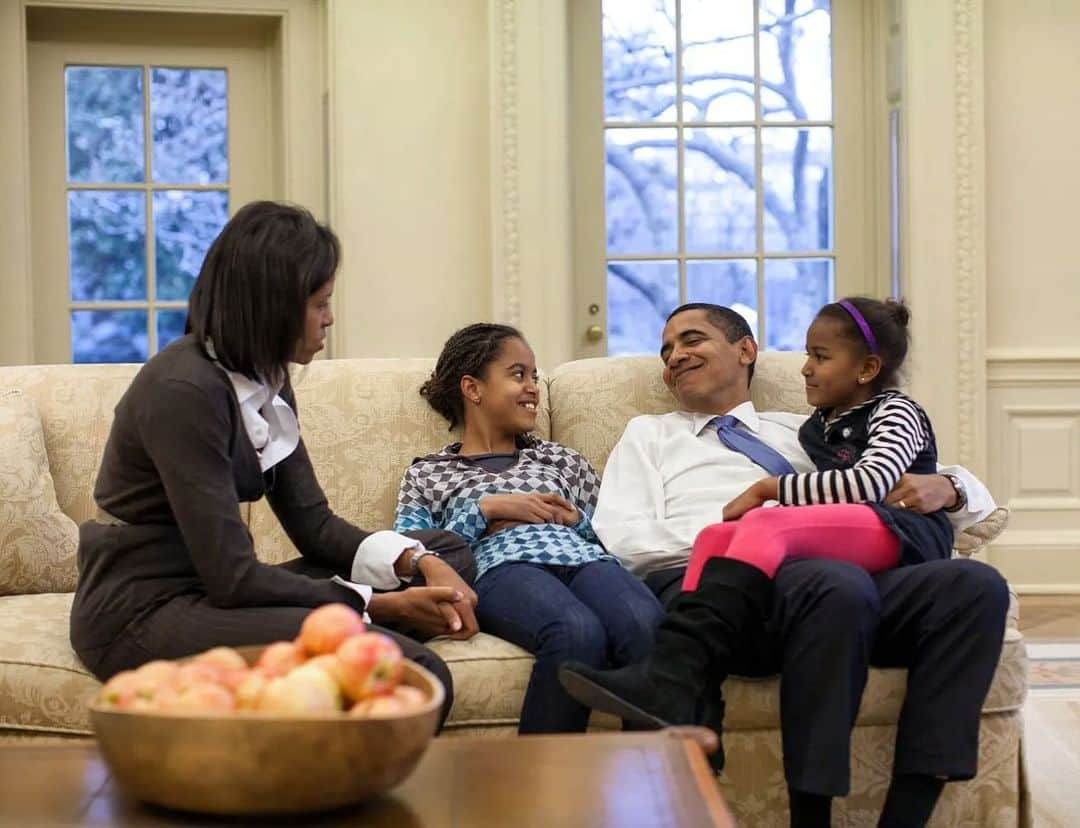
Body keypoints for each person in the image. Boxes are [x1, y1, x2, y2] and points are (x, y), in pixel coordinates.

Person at [560, 302, 1009, 828]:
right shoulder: (650, 435)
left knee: (975, 586)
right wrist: (753, 533)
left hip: (843, 581)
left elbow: (894, 473)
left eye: (692, 340)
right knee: (830, 581)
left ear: (745, 350)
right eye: (666, 351)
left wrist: (950, 488)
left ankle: (908, 812)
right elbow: (628, 540)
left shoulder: (809, 428)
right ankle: (810, 816)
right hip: (727, 593)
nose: (675, 357)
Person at [69, 201, 477, 728]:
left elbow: (314, 525)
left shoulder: (267, 380)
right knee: (418, 673)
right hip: (145, 608)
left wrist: (416, 563)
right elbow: (233, 578)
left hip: (213, 589)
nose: (330, 317)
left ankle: (369, 617)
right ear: (273, 306)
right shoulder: (184, 391)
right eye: (320, 302)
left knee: (449, 553)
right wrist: (377, 605)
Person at [393, 323, 664, 733]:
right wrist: (487, 510)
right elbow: (410, 552)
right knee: (576, 631)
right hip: (501, 567)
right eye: (518, 374)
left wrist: (575, 520)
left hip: (584, 557)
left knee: (646, 623)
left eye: (534, 377)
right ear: (473, 388)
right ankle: (538, 791)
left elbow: (614, 534)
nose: (533, 387)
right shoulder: (428, 473)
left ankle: (657, 784)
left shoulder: (563, 461)